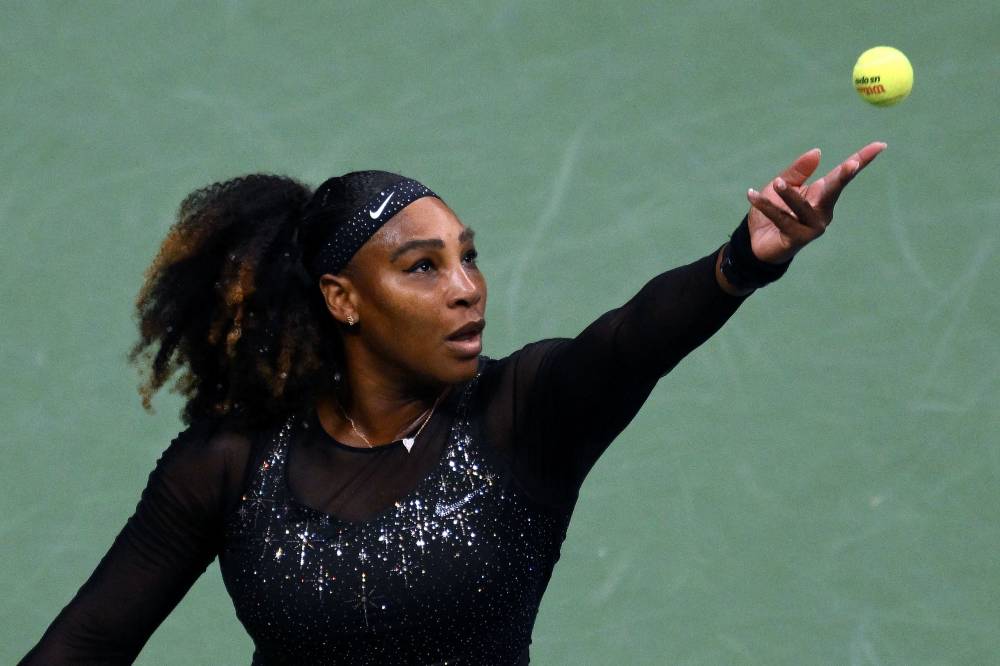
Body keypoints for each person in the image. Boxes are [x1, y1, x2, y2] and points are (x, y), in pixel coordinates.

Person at [20, 142, 886, 665]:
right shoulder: (230, 463)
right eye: (423, 266)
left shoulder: (524, 418)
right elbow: (87, 646)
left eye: (468, 257)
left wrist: (744, 260)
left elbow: (631, 341)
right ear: (342, 298)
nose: (468, 289)